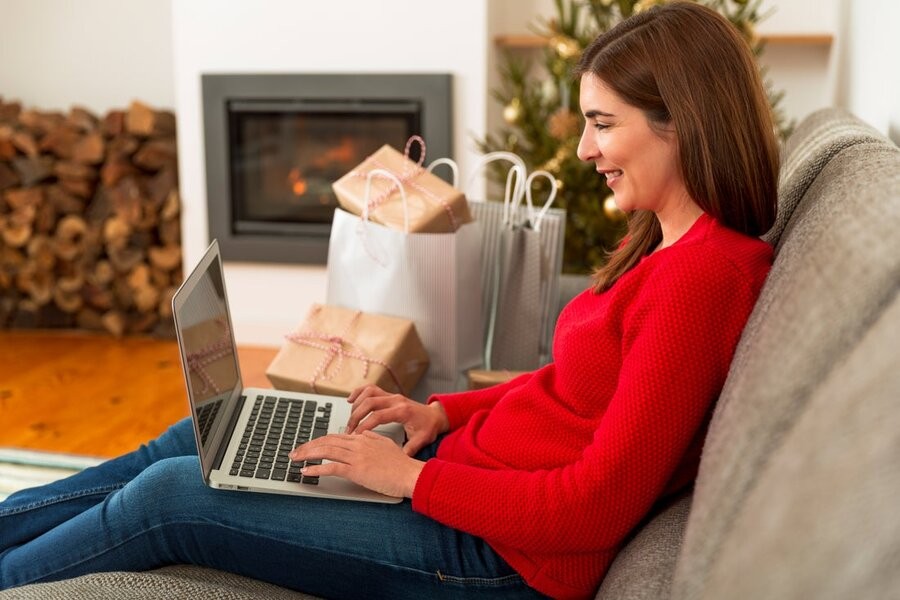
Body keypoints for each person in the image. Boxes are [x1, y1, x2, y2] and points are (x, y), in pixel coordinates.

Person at [0, 3, 779, 599]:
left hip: (497, 556)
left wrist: (405, 479)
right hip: (461, 480)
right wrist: (440, 415)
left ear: (682, 122)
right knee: (198, 436)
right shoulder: (666, 244)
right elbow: (568, 392)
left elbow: (593, 510)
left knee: (170, 497)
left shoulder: (703, 279)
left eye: (602, 124)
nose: (583, 150)